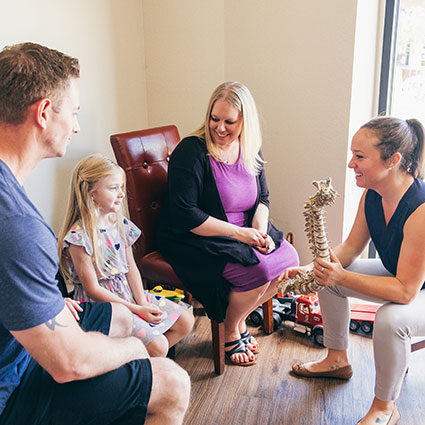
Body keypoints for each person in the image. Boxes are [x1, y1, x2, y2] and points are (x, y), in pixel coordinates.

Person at [0, 42, 190, 425]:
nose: (76, 125)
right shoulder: (17, 224)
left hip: (19, 343)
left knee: (119, 316)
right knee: (171, 381)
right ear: (44, 112)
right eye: (74, 113)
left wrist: (50, 304)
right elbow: (70, 363)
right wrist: (134, 348)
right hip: (12, 388)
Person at [285, 116, 425, 425]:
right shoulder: (372, 194)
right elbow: (349, 248)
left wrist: (341, 275)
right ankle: (337, 359)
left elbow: (405, 291)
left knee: (390, 319)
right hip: (403, 277)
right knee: (328, 279)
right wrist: (312, 269)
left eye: (360, 156)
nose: (351, 164)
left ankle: (385, 408)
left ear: (393, 160)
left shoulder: (421, 211)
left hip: (416, 288)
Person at [157, 81, 299, 366]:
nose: (219, 128)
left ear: (245, 121)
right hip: (199, 234)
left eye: (229, 121)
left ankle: (239, 318)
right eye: (214, 118)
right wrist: (241, 235)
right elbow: (188, 216)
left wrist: (258, 231)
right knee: (258, 268)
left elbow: (263, 199)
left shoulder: (250, 149)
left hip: (245, 228)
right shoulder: (191, 151)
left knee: (289, 261)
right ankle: (229, 329)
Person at [58, 153, 194, 357]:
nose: (121, 194)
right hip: (104, 307)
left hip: (129, 295)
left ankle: (133, 360)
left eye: (121, 187)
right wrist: (136, 310)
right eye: (113, 188)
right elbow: (92, 289)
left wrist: (142, 303)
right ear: (91, 193)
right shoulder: (79, 237)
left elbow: (131, 268)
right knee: (159, 346)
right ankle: (138, 364)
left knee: (186, 321)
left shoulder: (120, 225)